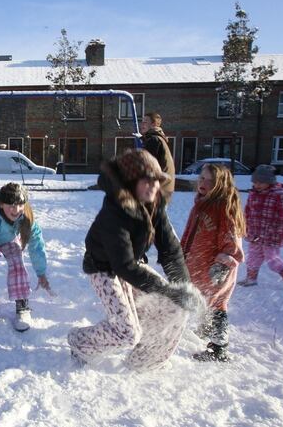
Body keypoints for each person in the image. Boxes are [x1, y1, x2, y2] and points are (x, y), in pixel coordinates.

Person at [67, 149, 204, 371]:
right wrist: (166, 290)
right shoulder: (113, 212)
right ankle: (79, 341)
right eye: (145, 181)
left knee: (175, 307)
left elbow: (170, 249)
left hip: (133, 266)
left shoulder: (155, 205)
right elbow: (124, 266)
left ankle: (142, 363)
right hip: (103, 269)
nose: (153, 186)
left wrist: (184, 287)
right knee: (127, 332)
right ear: (130, 182)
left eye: (157, 181)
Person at [181, 163, 245, 362]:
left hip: (215, 269)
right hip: (198, 265)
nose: (203, 182)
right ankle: (207, 330)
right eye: (201, 178)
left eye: (210, 180)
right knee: (205, 302)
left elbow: (231, 239)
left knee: (217, 304)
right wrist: (180, 255)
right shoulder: (200, 204)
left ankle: (219, 349)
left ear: (221, 184)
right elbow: (189, 234)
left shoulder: (224, 207)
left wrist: (223, 264)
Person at [0, 183, 54, 332]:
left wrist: (41, 272)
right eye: (11, 206)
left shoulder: (26, 218)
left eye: (20, 205)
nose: (16, 210)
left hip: (9, 240)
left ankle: (22, 305)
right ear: (1, 205)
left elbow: (37, 245)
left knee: (17, 262)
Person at [238, 165, 283, 290]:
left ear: (270, 181)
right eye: (255, 182)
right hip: (255, 233)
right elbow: (247, 211)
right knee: (252, 257)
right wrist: (244, 226)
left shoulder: (279, 195)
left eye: (261, 182)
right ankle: (251, 278)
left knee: (272, 260)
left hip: (271, 234)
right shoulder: (253, 194)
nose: (257, 185)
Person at [140, 112, 175, 196]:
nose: (142, 124)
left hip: (158, 191)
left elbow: (147, 167)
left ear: (154, 124)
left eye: (145, 122)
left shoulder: (153, 140)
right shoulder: (159, 138)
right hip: (164, 189)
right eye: (142, 121)